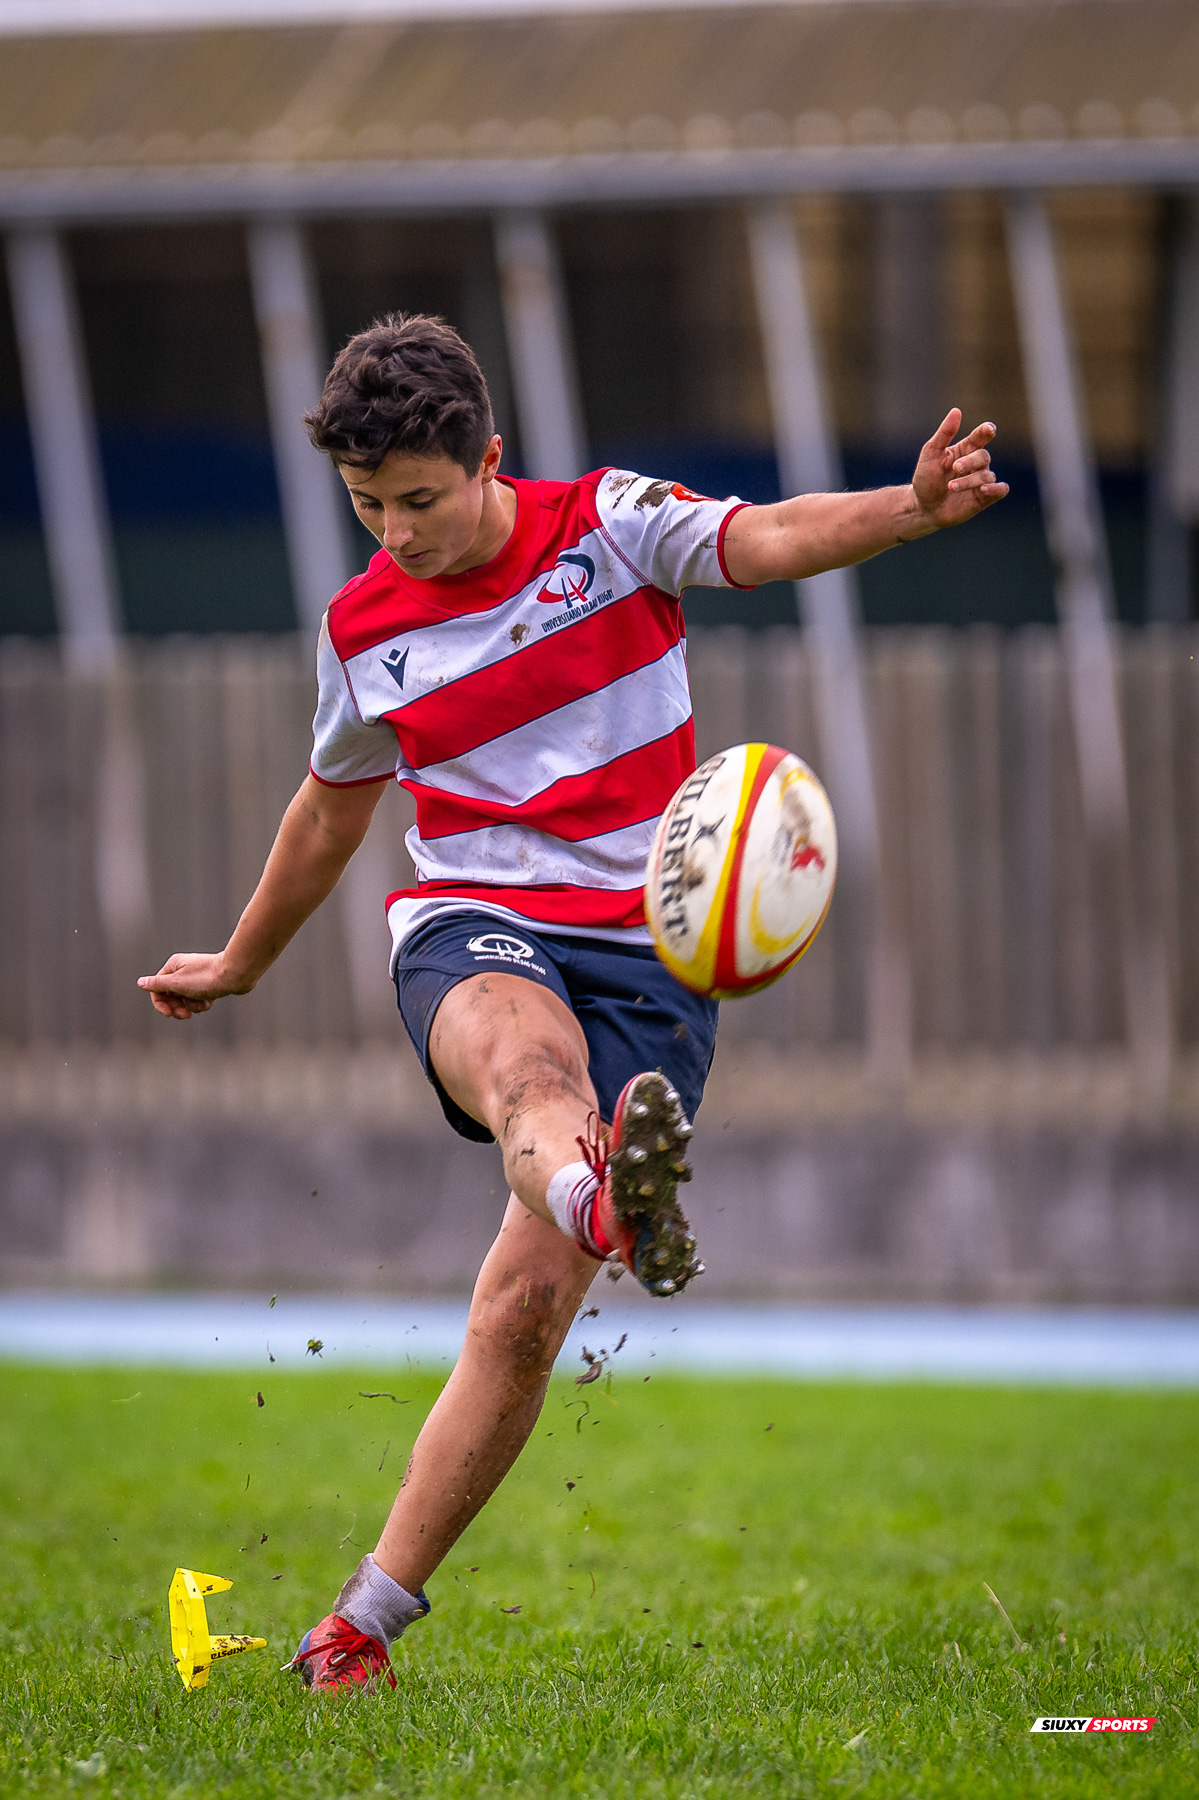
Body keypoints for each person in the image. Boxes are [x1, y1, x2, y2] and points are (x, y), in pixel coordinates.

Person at [139, 312, 1006, 1691]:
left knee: (522, 1317)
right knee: (533, 1082)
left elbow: (767, 536)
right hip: (475, 924)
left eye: (421, 500)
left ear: (489, 457)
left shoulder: (608, 527)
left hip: (653, 950)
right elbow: (326, 815)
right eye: (368, 507)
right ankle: (609, 1200)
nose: (398, 533)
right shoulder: (364, 630)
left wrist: (906, 508)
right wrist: (241, 958)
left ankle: (360, 1624)